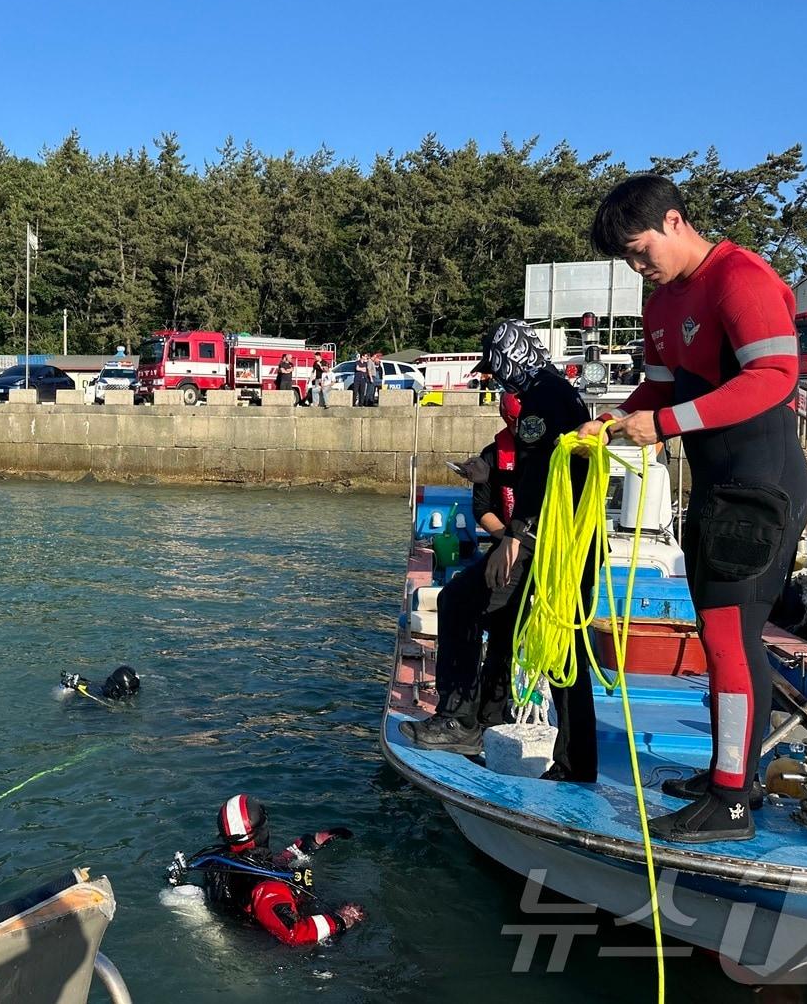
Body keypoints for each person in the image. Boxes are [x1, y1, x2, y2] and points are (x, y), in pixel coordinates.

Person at [580, 175, 807, 843]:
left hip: (761, 485)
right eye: (625, 257)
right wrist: (615, 421)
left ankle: (731, 803)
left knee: (728, 640)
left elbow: (773, 378)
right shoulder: (661, 305)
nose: (636, 265)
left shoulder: (740, 278)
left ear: (675, 221)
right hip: (717, 486)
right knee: (727, 641)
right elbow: (655, 391)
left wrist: (671, 422)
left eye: (639, 249)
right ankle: (731, 777)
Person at [399, 319, 597, 783]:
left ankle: (460, 721)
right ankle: (576, 761)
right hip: (569, 541)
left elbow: (543, 477)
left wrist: (517, 535)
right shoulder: (561, 394)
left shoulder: (541, 400)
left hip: (545, 542)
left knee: (460, 601)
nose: (499, 379)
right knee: (567, 647)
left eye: (499, 367)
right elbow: (549, 470)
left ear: (514, 356)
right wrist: (494, 481)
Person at [398, 392, 519, 751]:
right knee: (473, 608)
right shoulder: (494, 452)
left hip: (537, 549)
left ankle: (473, 718)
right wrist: (506, 538)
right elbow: (482, 508)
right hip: (507, 545)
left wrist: (519, 541)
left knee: (485, 619)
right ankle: (477, 718)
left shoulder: (550, 452)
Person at [170, 795, 365, 946]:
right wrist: (341, 919)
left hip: (239, 923)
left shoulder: (217, 861)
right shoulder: (268, 887)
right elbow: (294, 934)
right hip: (269, 945)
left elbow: (267, 862)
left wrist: (310, 843)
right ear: (263, 827)